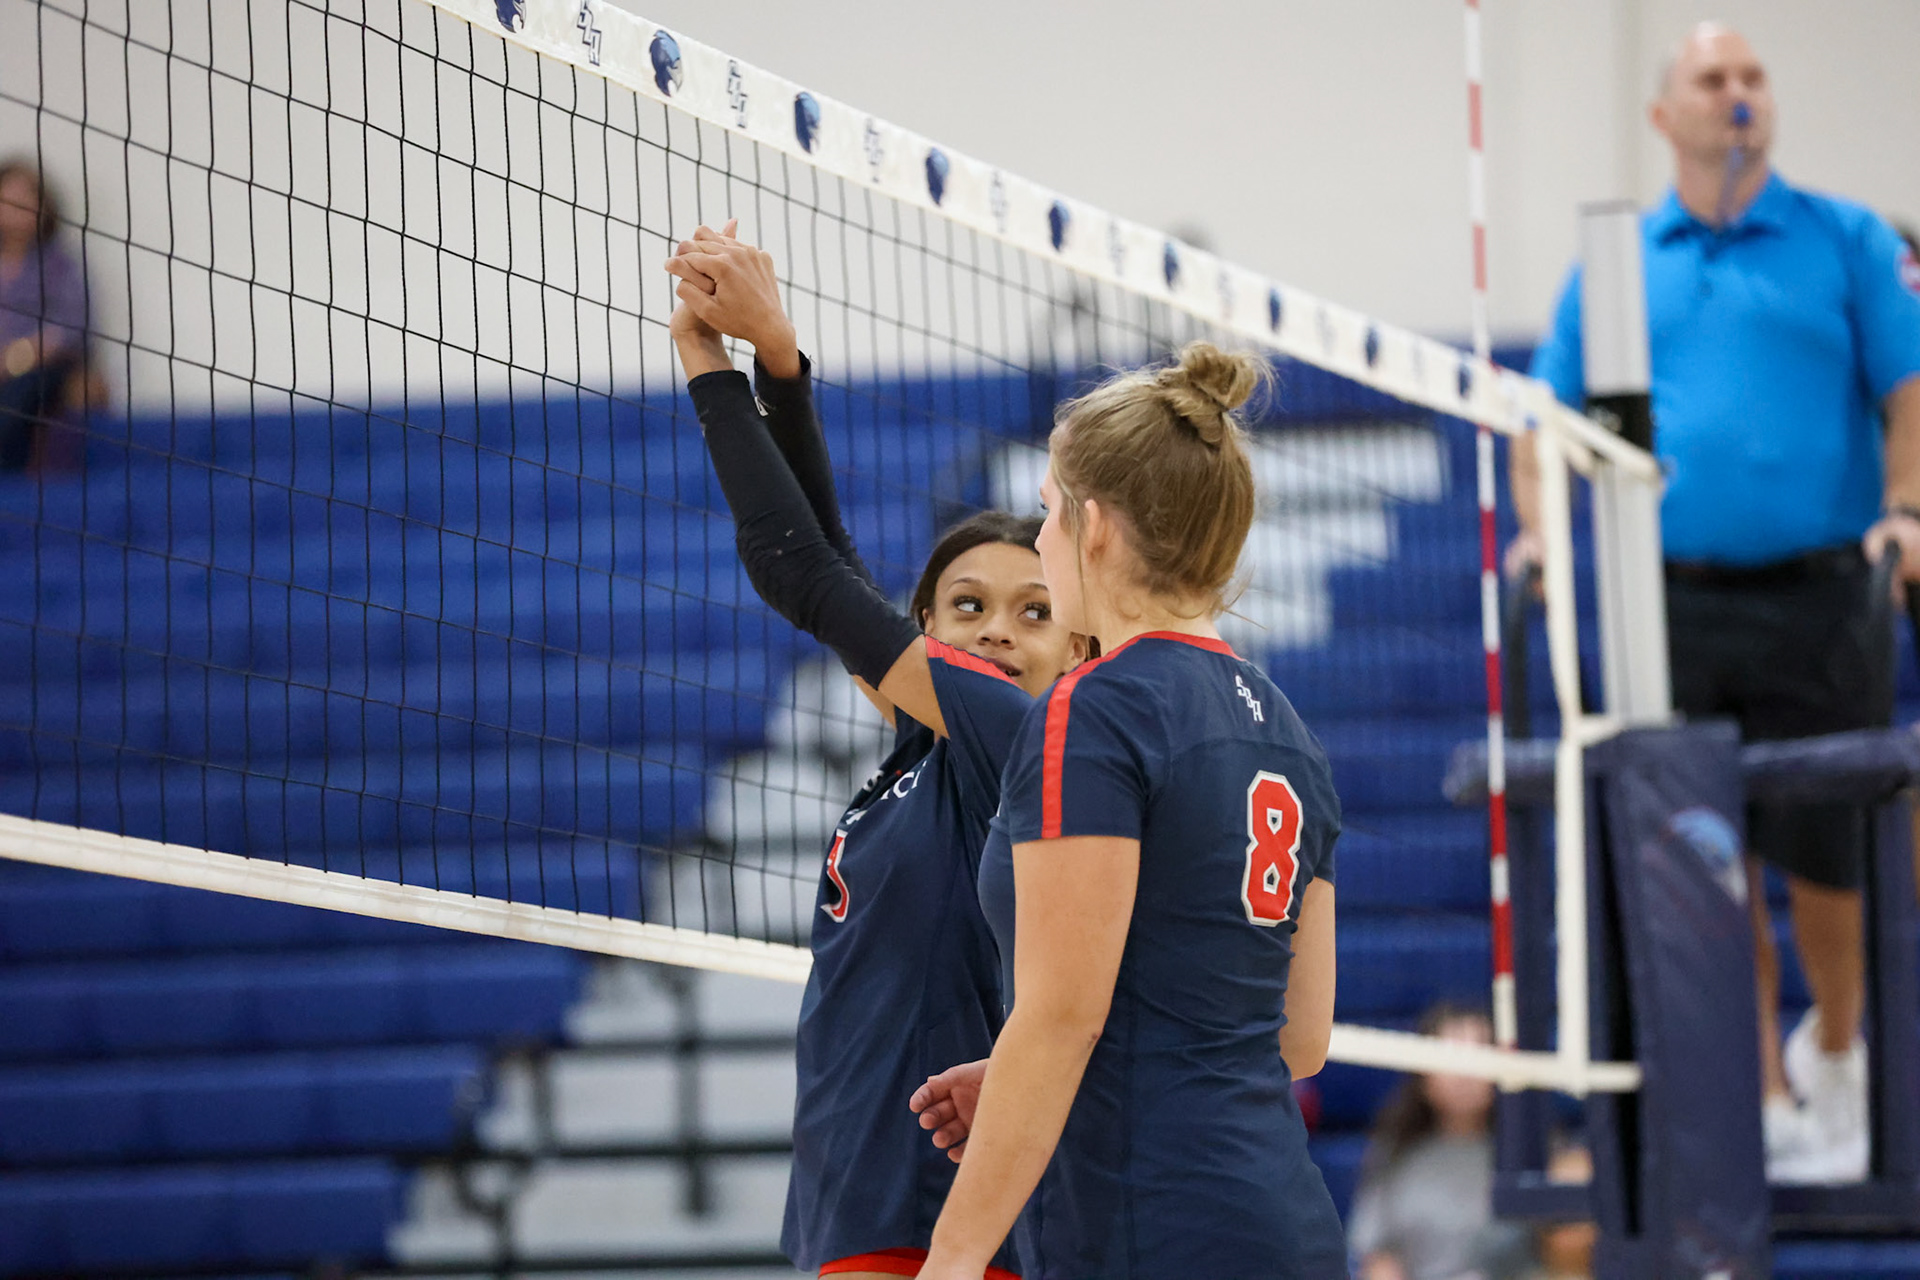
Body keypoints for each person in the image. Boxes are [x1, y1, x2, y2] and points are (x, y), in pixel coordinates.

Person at [1509, 24, 1920, 1183]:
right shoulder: (1619, 266)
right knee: (1709, 850)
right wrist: (1542, 536)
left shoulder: (1845, 238)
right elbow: (1543, 424)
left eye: (1752, 76)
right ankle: (1765, 1090)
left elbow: (1910, 390)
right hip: (1669, 604)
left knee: (1834, 850)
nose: (1738, 94)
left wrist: (1907, 506)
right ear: (1665, 116)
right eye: (1713, 78)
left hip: (1828, 592)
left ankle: (1839, 1052)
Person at [667, 221, 1080, 1279]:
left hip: (941, 1212)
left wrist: (713, 364)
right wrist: (782, 366)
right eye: (968, 605)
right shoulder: (923, 745)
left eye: (1033, 612)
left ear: (1077, 642)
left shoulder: (1020, 736)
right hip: (849, 1197)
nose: (997, 627)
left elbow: (797, 566)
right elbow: (832, 563)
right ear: (924, 630)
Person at [908, 342, 1344, 1279]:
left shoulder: (1097, 707)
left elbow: (1062, 1018)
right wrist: (1032, 1080)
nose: (1041, 543)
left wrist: (950, 1260)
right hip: (1282, 1220)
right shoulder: (1291, 732)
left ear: (1094, 528)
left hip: (1151, 1225)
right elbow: (1298, 1038)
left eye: (1047, 515)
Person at [1349, 1005, 1534, 1280]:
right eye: (1450, 1057)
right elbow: (1379, 1260)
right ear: (1423, 1073)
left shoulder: (1534, 1151)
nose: (1463, 1073)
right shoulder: (1394, 1152)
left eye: (1477, 1055)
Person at [0, 160, 89, 472]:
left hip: (40, 372)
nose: (16, 208)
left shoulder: (59, 265)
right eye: (7, 200)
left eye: (26, 199)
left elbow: (71, 331)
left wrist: (14, 359)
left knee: (15, 400)